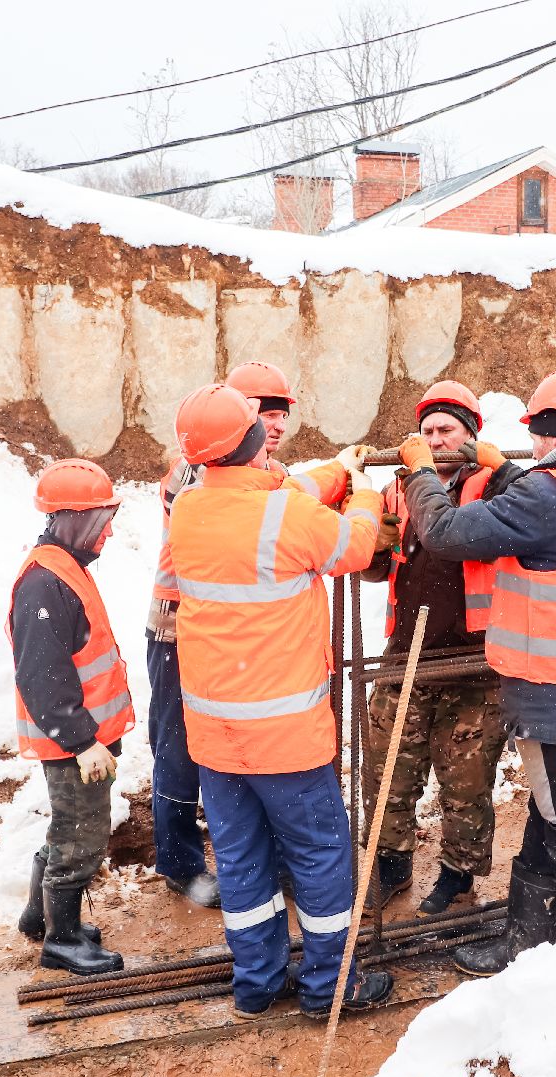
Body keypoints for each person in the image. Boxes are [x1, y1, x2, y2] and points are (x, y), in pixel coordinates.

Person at [393, 369, 556, 977]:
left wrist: (416, 473)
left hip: (555, 690)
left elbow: (448, 532)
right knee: (554, 813)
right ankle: (527, 942)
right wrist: (508, 470)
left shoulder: (550, 492)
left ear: (544, 435)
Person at [168, 383, 393, 1020]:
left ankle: (258, 981)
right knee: (320, 857)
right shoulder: (286, 518)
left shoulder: (188, 508)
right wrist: (367, 488)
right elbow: (353, 543)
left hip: (216, 734)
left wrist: (335, 470)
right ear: (247, 440)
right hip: (284, 735)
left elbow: (282, 495)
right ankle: (327, 988)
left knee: (242, 861)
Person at [145, 361, 348, 908]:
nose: (274, 427)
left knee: (240, 753)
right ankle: (181, 863)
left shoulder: (250, 468)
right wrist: (341, 484)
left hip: (225, 630)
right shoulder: (199, 469)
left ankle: (265, 871)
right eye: (264, 415)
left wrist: (332, 473)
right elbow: (278, 502)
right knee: (182, 753)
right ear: (235, 418)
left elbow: (284, 492)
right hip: (178, 627)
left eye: (281, 415)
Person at [359, 380, 522, 915]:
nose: (434, 439)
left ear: (471, 435)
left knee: (466, 777)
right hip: (407, 652)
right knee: (388, 768)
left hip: (475, 659)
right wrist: (371, 541)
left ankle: (458, 874)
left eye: (446, 429)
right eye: (427, 431)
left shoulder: (494, 490)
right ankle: (391, 862)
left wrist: (493, 468)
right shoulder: (401, 489)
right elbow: (377, 567)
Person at [9, 458, 136, 977]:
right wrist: (83, 742)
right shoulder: (45, 584)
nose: (106, 531)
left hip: (84, 737)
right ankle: (61, 941)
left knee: (69, 826)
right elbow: (42, 674)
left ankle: (41, 917)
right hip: (74, 742)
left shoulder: (64, 568)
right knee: (82, 834)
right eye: (99, 520)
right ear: (69, 519)